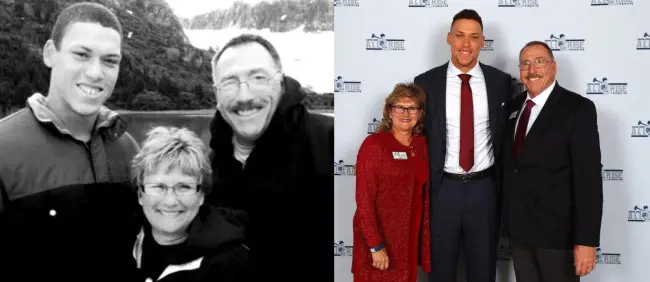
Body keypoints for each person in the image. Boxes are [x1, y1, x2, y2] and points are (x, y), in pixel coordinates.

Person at [0, 2, 140, 281]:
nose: (96, 73)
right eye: (81, 54)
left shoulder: (128, 149)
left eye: (110, 60)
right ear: (50, 53)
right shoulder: (4, 149)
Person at [207, 34, 333, 281]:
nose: (245, 96)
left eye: (258, 78)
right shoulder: (205, 168)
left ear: (281, 82)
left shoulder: (334, 145)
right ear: (216, 93)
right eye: (230, 82)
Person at [413, 9, 516, 282]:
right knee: (440, 272)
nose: (466, 44)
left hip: (485, 190)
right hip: (442, 190)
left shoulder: (501, 82)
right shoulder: (426, 83)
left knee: (482, 272)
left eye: (473, 37)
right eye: (460, 35)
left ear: (483, 41)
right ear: (449, 38)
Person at [501, 41, 603, 282]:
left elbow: (588, 180)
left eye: (539, 62)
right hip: (520, 234)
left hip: (559, 237)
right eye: (525, 63)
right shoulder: (514, 107)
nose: (531, 69)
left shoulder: (578, 109)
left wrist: (587, 240)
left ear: (553, 67)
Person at [130, 126, 253, 282]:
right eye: (158, 187)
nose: (170, 201)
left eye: (184, 187)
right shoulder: (126, 243)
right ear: (140, 194)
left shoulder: (230, 265)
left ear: (201, 195)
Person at [351, 83, 431, 282]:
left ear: (420, 113)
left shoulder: (422, 145)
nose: (406, 113)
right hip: (380, 241)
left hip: (410, 239)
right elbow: (364, 200)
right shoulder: (374, 145)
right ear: (389, 111)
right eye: (399, 107)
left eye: (412, 108)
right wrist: (375, 245)